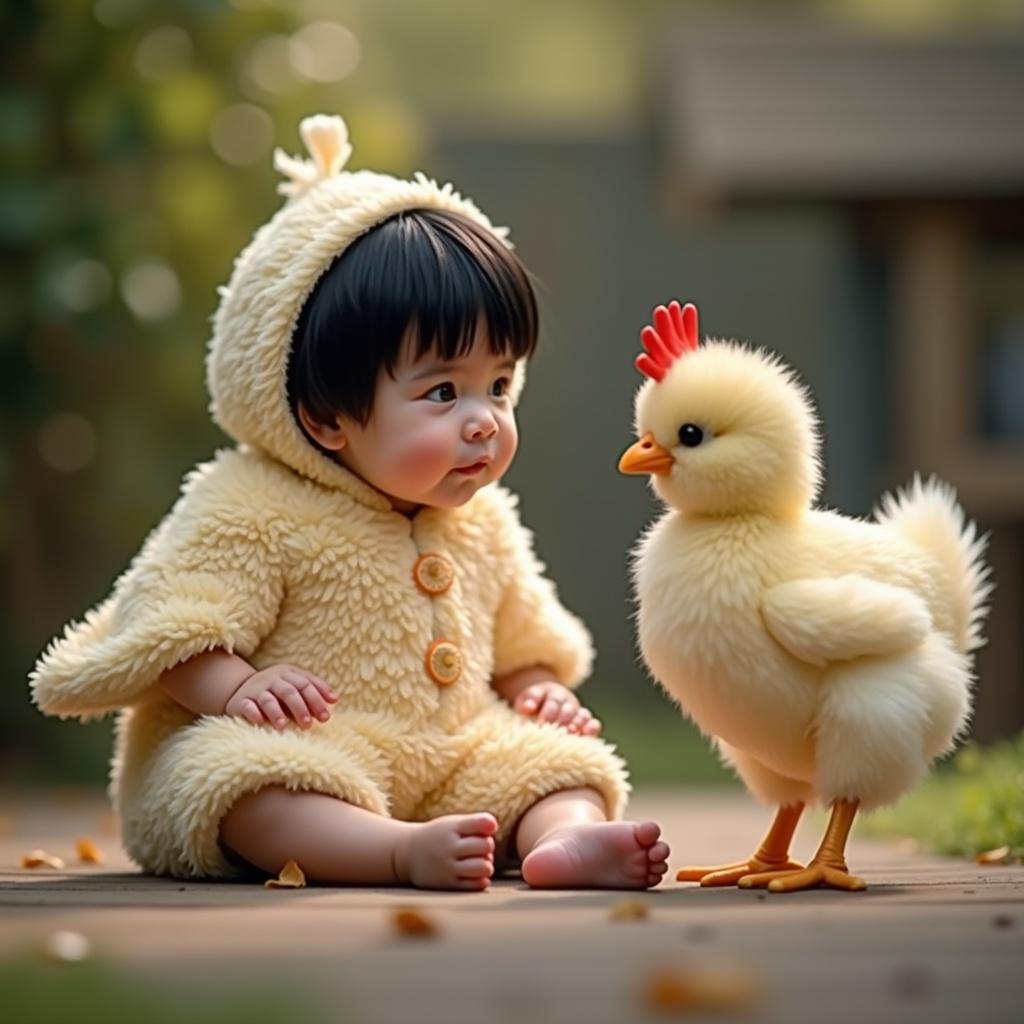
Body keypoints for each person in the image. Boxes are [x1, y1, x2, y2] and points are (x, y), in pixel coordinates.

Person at [30, 114, 670, 891]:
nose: (484, 419)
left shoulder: (481, 523)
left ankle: (564, 842)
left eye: (498, 385)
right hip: (310, 748)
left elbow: (520, 638)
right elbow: (173, 627)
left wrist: (535, 688)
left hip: (447, 757)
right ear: (324, 418)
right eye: (442, 390)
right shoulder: (252, 506)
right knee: (238, 781)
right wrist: (237, 687)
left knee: (555, 765)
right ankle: (393, 851)